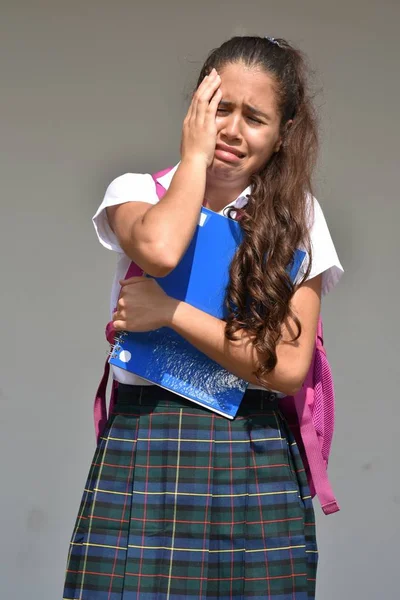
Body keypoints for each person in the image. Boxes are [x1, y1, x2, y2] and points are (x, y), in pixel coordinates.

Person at [63, 36, 343, 599]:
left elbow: (288, 367)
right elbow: (162, 251)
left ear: (284, 133)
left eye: (255, 118)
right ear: (196, 108)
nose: (233, 131)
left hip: (253, 449)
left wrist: (169, 312)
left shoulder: (299, 219)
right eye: (221, 109)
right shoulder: (137, 191)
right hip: (148, 439)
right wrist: (193, 158)